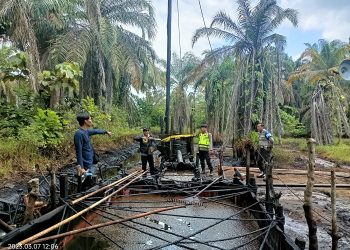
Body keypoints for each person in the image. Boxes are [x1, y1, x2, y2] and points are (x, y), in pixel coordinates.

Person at [74, 113, 112, 187]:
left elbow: (96, 131)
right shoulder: (78, 134)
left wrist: (106, 132)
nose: (91, 121)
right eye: (90, 119)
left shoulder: (86, 132)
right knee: (86, 184)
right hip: (85, 165)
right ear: (85, 121)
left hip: (90, 162)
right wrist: (81, 168)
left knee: (90, 182)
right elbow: (78, 152)